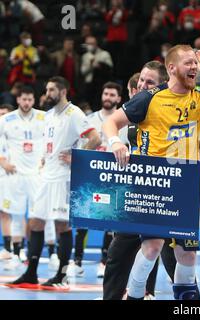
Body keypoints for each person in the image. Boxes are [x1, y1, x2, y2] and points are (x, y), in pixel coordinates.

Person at [103, 32, 200, 300]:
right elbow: (111, 122)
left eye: (195, 64)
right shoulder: (149, 98)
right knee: (151, 247)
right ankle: (135, 295)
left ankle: (186, 301)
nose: (194, 67)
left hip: (186, 184)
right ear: (171, 68)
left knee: (188, 253)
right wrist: (116, 142)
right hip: (155, 182)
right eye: (188, 63)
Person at [6, 76, 101, 290]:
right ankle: (31, 273)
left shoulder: (74, 113)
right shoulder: (48, 115)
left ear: (63, 91)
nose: (46, 93)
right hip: (46, 176)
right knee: (35, 223)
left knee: (61, 225)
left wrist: (78, 156)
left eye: (51, 90)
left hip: (63, 178)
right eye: (47, 89)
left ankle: (62, 274)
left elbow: (95, 138)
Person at [103, 63, 177, 300]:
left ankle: (149, 294)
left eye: (149, 82)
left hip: (169, 193)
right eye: (141, 81)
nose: (142, 86)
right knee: (119, 251)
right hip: (137, 192)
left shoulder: (173, 107)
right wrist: (116, 142)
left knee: (172, 258)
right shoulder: (135, 109)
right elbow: (110, 124)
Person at [69, 81, 129, 278]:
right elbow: (80, 143)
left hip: (114, 177)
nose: (108, 98)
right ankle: (76, 261)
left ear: (119, 99)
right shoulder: (90, 119)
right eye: (106, 94)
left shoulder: (126, 121)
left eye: (112, 95)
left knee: (110, 220)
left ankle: (104, 262)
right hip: (92, 175)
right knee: (84, 217)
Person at [0, 86, 44, 270]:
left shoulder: (44, 118)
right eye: (23, 99)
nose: (26, 102)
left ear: (33, 100)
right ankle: (15, 254)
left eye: (29, 99)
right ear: (18, 99)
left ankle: (42, 251)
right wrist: (3, 162)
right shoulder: (6, 119)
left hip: (36, 174)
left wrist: (45, 160)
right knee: (16, 214)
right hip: (14, 173)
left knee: (37, 214)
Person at [0, 104, 14, 260]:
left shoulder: (15, 136)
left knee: (10, 213)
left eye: (5, 114)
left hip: (9, 178)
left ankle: (13, 248)